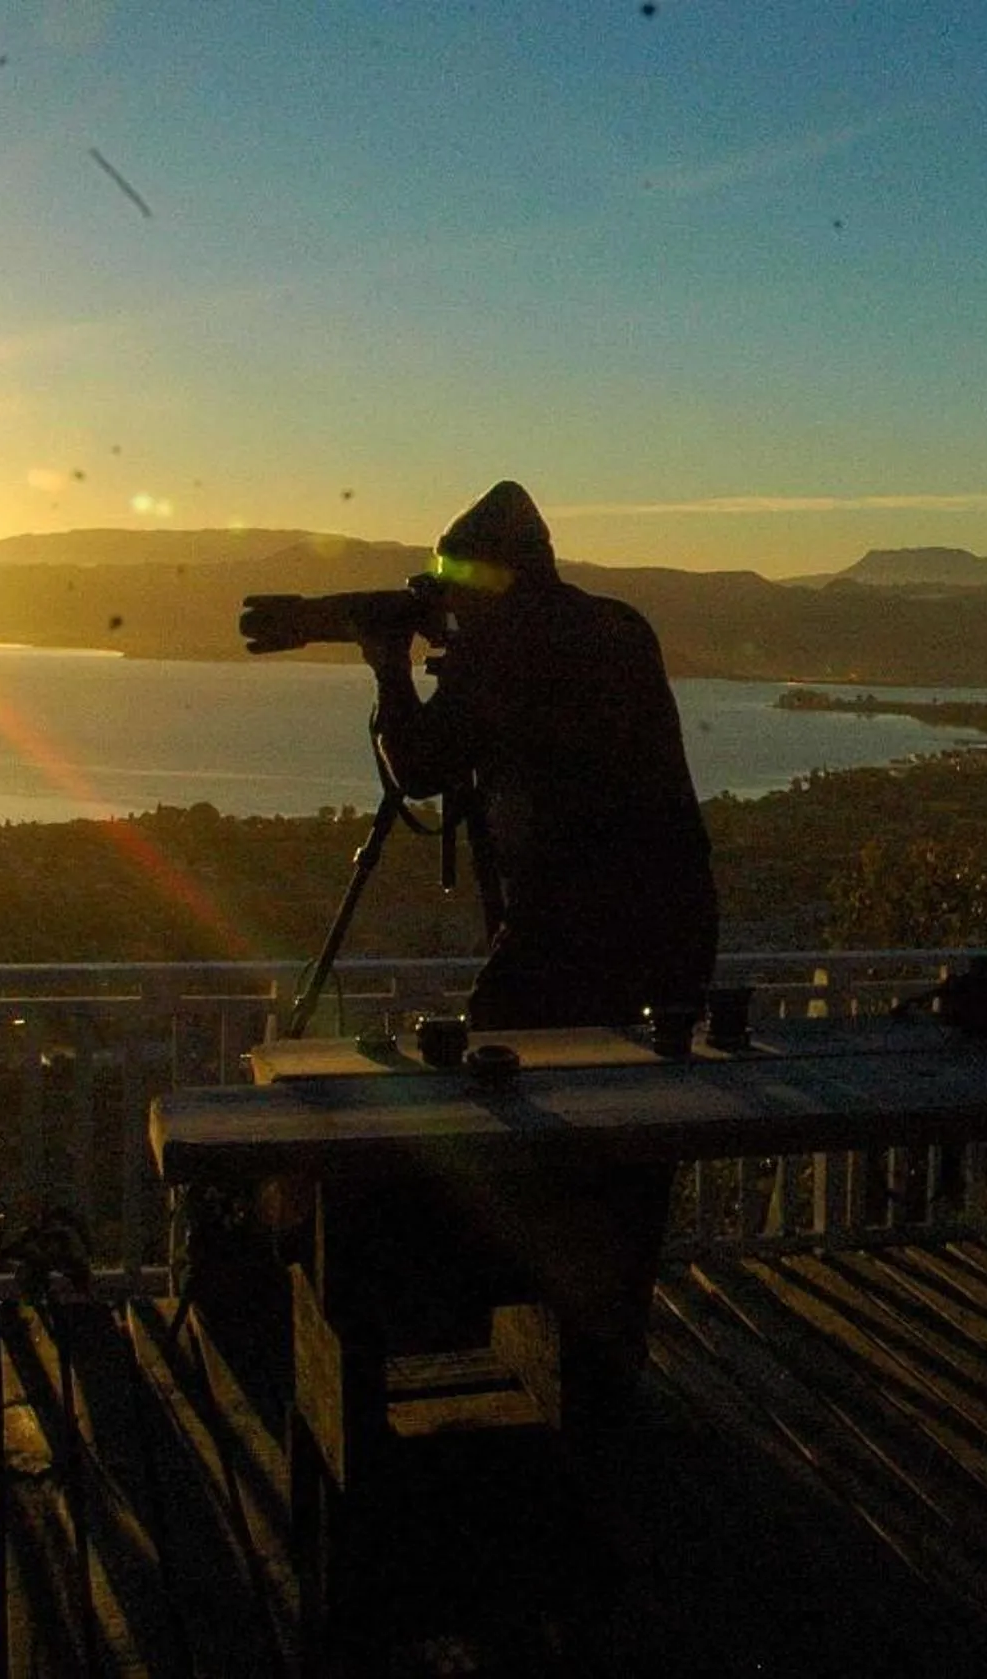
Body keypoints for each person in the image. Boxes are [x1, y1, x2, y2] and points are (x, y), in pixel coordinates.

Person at [358, 478, 719, 1413]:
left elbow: (422, 769)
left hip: (566, 935)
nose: (449, 588)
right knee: (629, 1149)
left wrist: (390, 666)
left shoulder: (505, 649)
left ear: (497, 574)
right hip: (674, 926)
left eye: (458, 572)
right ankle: (603, 1359)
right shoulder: (619, 627)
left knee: (500, 1119)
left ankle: (499, 1339)